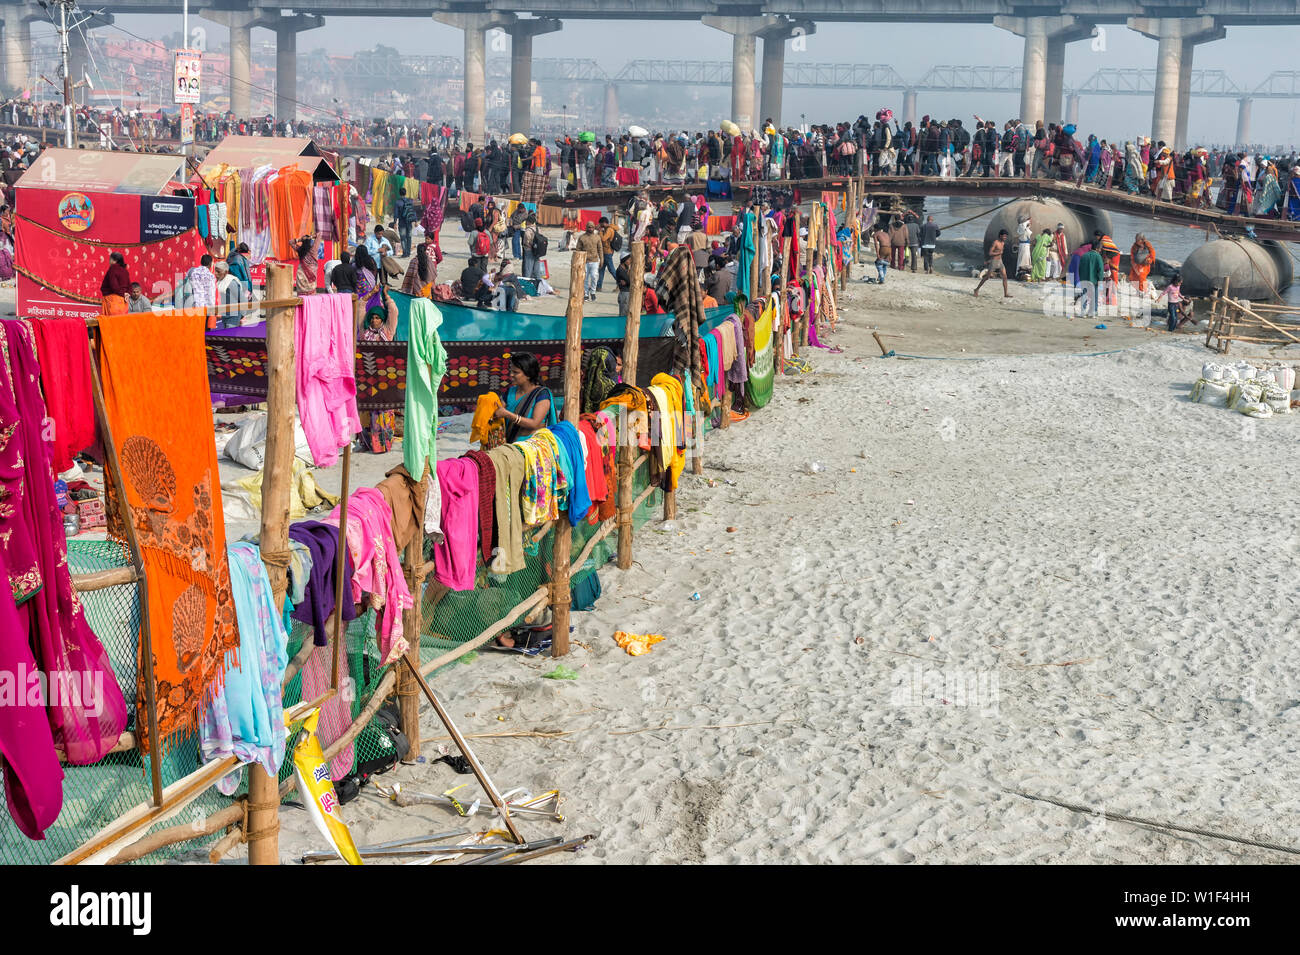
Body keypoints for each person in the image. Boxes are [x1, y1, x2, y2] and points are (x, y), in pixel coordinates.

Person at [493, 351, 557, 442]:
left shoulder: (541, 394)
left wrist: (508, 414)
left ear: (528, 374)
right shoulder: (510, 392)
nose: (511, 375)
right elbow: (498, 411)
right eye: (511, 371)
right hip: (511, 444)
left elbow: (534, 423)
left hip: (533, 446)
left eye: (515, 372)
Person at [973, 230, 1011, 298]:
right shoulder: (995, 242)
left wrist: (1000, 256)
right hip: (994, 262)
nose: (1005, 237)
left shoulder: (1002, 242)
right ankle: (976, 289)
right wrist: (997, 254)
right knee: (987, 277)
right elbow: (990, 253)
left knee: (1005, 277)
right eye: (1004, 236)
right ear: (1000, 235)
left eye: (1006, 236)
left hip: (1000, 261)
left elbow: (1000, 253)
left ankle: (1005, 294)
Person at [576, 221, 602, 301]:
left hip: (595, 260)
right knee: (585, 278)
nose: (590, 228)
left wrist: (602, 260)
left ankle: (593, 292)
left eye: (592, 227)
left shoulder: (597, 237)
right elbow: (578, 249)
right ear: (586, 228)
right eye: (589, 227)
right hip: (585, 261)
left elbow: (600, 249)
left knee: (594, 277)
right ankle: (586, 294)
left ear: (594, 228)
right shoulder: (582, 237)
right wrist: (578, 261)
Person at [596, 216, 618, 292]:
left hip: (608, 252)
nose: (600, 225)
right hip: (605, 252)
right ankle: (599, 286)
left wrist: (600, 231)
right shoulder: (607, 229)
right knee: (601, 269)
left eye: (601, 224)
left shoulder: (609, 230)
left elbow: (603, 239)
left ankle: (620, 284)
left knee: (611, 270)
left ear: (604, 223)